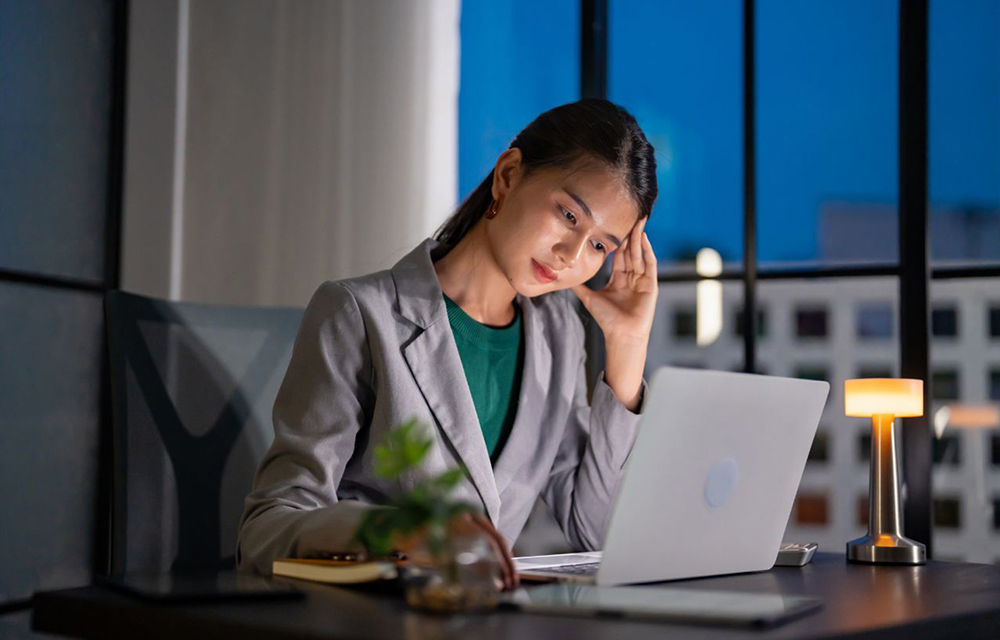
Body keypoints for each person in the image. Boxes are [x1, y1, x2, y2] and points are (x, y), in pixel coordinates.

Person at [237, 98, 659, 590]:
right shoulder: (359, 314)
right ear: (508, 175)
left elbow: (595, 532)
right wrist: (401, 532)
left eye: (600, 246)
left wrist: (627, 348)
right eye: (568, 214)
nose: (572, 255)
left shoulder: (557, 336)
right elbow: (265, 531)